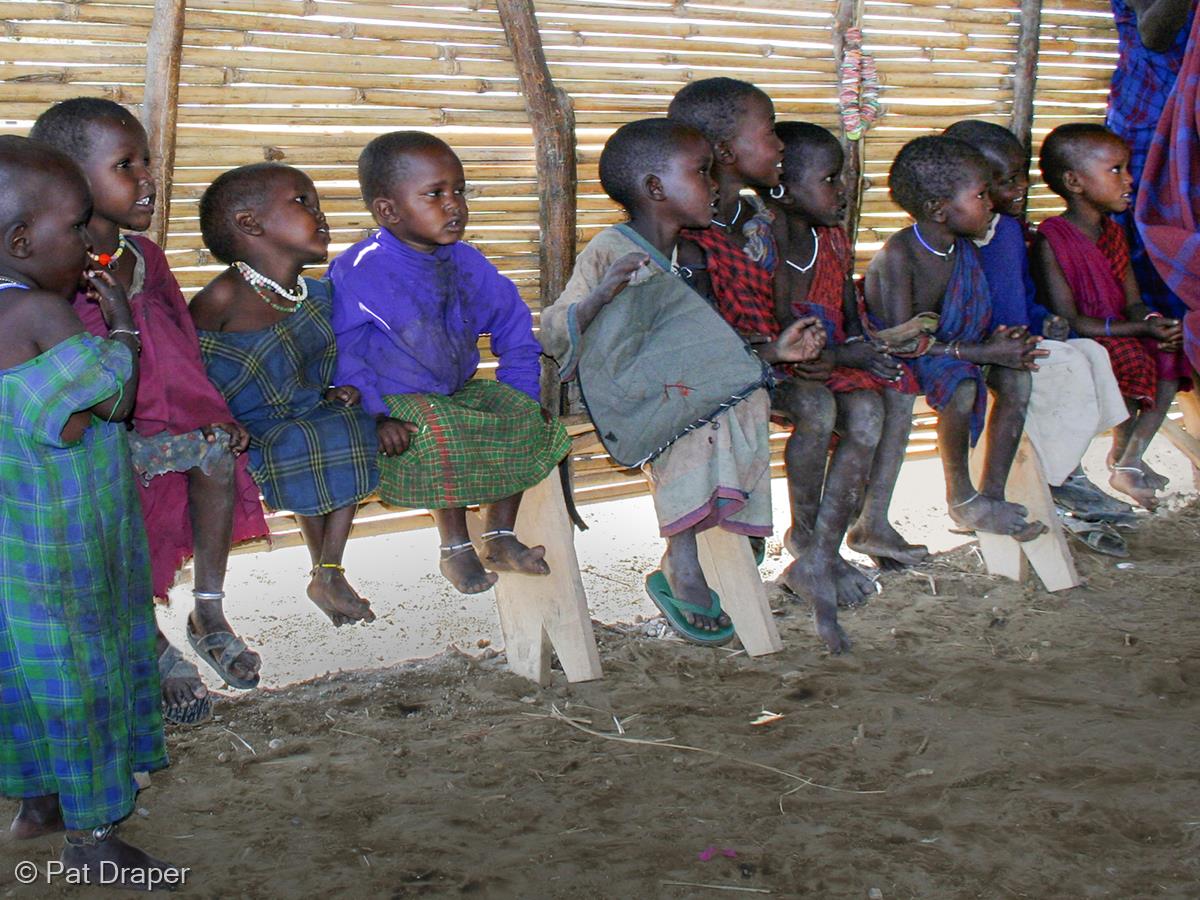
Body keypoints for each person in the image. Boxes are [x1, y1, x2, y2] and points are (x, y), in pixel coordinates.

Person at [540, 118, 825, 648]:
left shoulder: (699, 253)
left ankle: (724, 509)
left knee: (745, 395)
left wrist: (775, 350)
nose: (715, 185)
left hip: (682, 382)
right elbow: (556, 328)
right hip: (625, 388)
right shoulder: (611, 248)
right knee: (699, 411)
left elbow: (706, 350)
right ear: (655, 189)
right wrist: (600, 295)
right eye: (700, 173)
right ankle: (683, 558)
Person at [30, 98, 269, 725]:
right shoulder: (53, 270)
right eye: (125, 166)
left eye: (146, 162)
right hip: (90, 442)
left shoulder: (146, 258)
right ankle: (147, 637)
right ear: (72, 179)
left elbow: (180, 352)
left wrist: (211, 414)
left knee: (217, 450)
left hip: (161, 430)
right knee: (111, 484)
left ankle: (209, 611)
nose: (146, 180)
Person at [0, 135, 179, 884]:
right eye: (76, 227)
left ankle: (37, 803)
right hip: (69, 553)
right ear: (19, 241)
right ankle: (94, 838)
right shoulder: (41, 311)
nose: (86, 242)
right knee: (85, 684)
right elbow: (104, 404)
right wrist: (124, 331)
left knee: (27, 679)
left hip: (16, 551)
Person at [667, 79, 879, 633]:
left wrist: (806, 349)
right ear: (727, 153)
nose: (780, 147)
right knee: (814, 408)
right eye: (769, 134)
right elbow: (696, 335)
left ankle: (813, 548)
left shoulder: (762, 220)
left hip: (765, 362)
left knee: (862, 405)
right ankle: (781, 545)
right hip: (712, 375)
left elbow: (782, 305)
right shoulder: (689, 230)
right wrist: (777, 355)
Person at [328, 132, 571, 595]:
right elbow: (344, 352)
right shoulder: (361, 269)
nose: (454, 204)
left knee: (521, 416)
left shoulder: (467, 263)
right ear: (388, 211)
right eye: (435, 194)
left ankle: (499, 534)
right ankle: (455, 545)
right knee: (438, 429)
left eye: (459, 190)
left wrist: (521, 393)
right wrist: (375, 414)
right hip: (392, 402)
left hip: (453, 390)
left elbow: (514, 324)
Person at [191, 163, 383, 625]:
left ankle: (328, 571)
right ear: (250, 224)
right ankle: (328, 574)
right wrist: (217, 421)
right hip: (252, 426)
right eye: (302, 202)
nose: (320, 214)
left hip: (310, 411)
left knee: (347, 426)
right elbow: (193, 376)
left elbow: (323, 366)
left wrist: (342, 391)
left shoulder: (315, 295)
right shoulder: (220, 300)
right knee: (303, 441)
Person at [762, 122, 930, 649]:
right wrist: (837, 353)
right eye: (831, 179)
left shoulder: (832, 236)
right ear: (782, 188)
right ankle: (806, 535)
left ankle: (822, 552)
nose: (842, 192)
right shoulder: (760, 242)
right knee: (818, 408)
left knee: (873, 408)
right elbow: (763, 332)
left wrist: (866, 347)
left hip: (830, 356)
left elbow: (849, 312)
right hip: (776, 366)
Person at [944, 119, 1133, 525]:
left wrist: (1046, 322)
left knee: (1092, 356)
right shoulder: (951, 241)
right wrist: (992, 345)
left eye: (1019, 178)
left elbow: (1024, 297)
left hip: (1022, 343)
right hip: (984, 353)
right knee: (1064, 368)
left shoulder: (1009, 233)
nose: (1019, 190)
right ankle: (1060, 480)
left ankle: (1066, 469)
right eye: (1007, 182)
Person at [864, 136, 1048, 541]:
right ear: (939, 209)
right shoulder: (901, 255)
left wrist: (1003, 343)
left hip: (952, 349)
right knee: (963, 386)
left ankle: (991, 495)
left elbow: (970, 313)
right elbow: (900, 342)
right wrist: (982, 351)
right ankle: (960, 498)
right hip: (899, 357)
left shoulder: (963, 248)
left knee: (1018, 378)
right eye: (981, 195)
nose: (990, 204)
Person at [1033, 123, 1188, 511]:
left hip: (1119, 328)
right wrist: (1139, 328)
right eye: (1116, 170)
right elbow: (1069, 320)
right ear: (1074, 181)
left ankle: (1129, 458)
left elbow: (1132, 302)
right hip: (1083, 337)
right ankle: (1075, 473)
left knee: (1172, 351)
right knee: (1129, 357)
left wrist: (1152, 321)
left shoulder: (1114, 233)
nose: (1129, 180)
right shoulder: (1053, 239)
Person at [1107, 0, 1196, 322]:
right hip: (1150, 118)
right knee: (1149, 234)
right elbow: (1154, 34)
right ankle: (1161, 338)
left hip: (1190, 120)